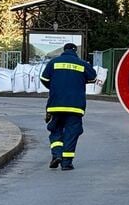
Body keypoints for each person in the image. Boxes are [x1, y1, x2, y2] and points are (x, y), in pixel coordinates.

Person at [40, 43, 97, 171]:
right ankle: (66, 163)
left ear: (63, 50)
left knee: (55, 130)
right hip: (75, 107)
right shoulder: (82, 64)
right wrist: (80, 80)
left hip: (56, 105)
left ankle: (57, 154)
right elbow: (93, 77)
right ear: (75, 51)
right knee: (72, 133)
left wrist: (54, 87)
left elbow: (44, 78)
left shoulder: (54, 62)